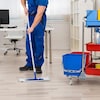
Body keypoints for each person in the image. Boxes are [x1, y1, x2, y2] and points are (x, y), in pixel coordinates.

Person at [19, 0, 48, 74]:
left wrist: (32, 27)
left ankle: (38, 65)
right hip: (30, 17)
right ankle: (30, 64)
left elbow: (40, 13)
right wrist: (24, 7)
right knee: (29, 42)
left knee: (38, 43)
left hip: (39, 19)